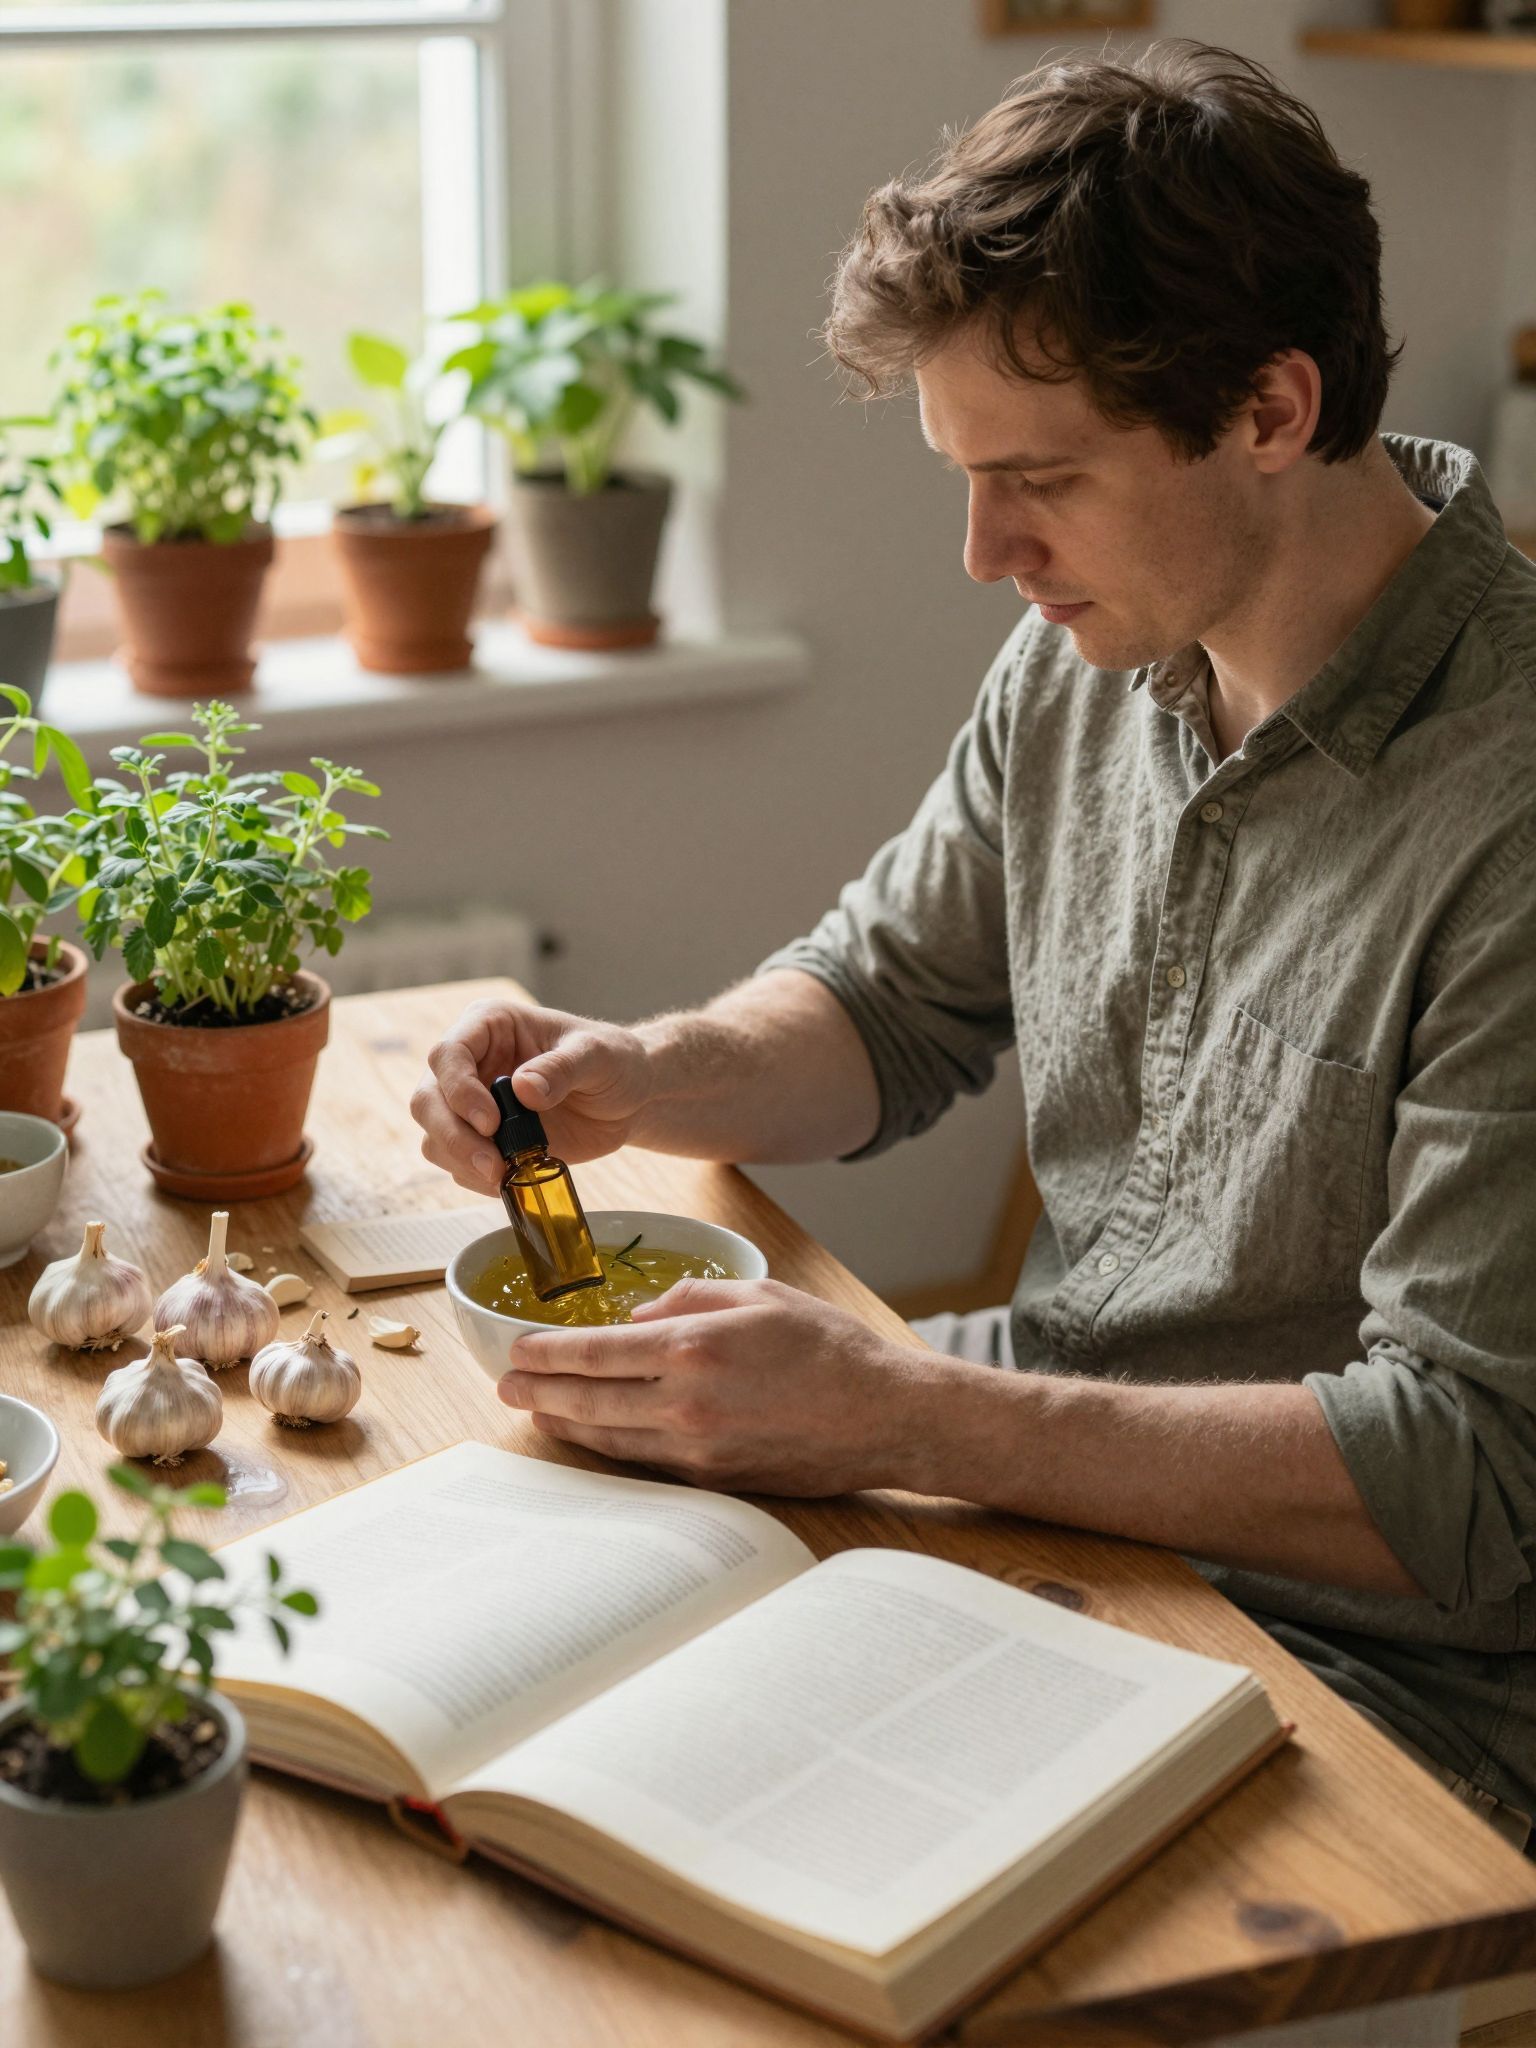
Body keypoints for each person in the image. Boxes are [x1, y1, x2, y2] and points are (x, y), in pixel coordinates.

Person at [412, 41, 1536, 1847]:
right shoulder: (1093, 651)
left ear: (1268, 405)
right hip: (1043, 1513)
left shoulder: (1512, 809)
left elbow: (1474, 1482)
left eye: (1043, 480)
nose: (981, 551)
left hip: (1380, 1691)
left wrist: (909, 1416)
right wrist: (640, 1072)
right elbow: (886, 1000)